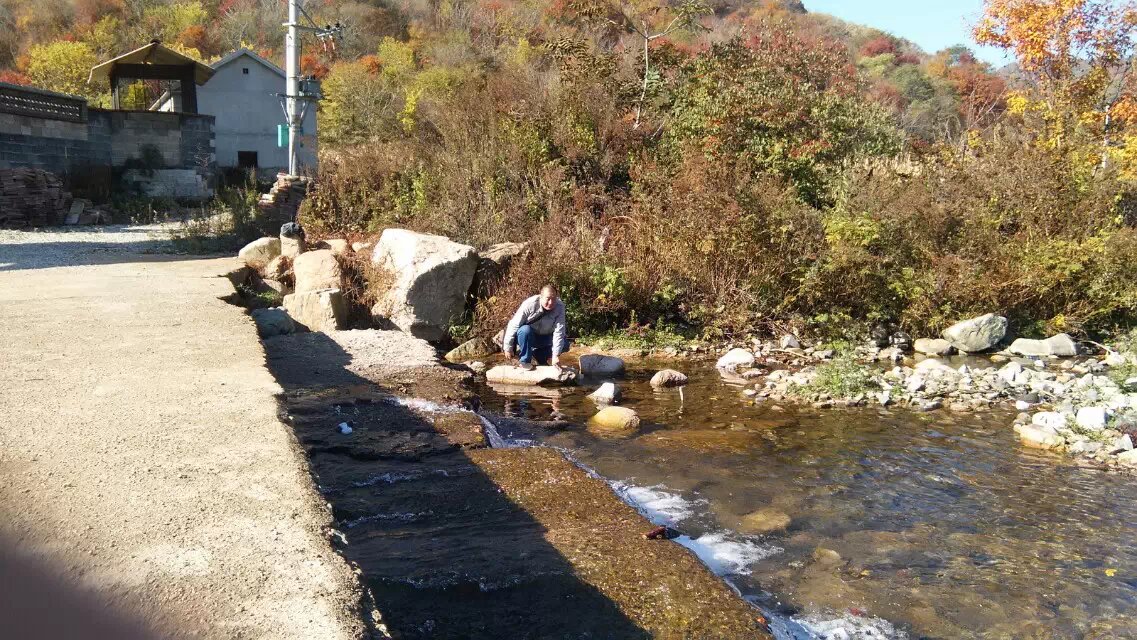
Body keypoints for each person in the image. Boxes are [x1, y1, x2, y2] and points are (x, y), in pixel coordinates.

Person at [503, 284, 567, 370]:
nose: (551, 302)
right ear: (541, 297)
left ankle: (540, 356)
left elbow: (559, 331)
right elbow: (514, 325)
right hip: (528, 336)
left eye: (553, 299)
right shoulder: (529, 304)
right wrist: (508, 347)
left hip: (545, 337)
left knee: (565, 344)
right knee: (525, 330)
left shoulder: (560, 307)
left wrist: (555, 355)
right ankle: (525, 361)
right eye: (548, 299)